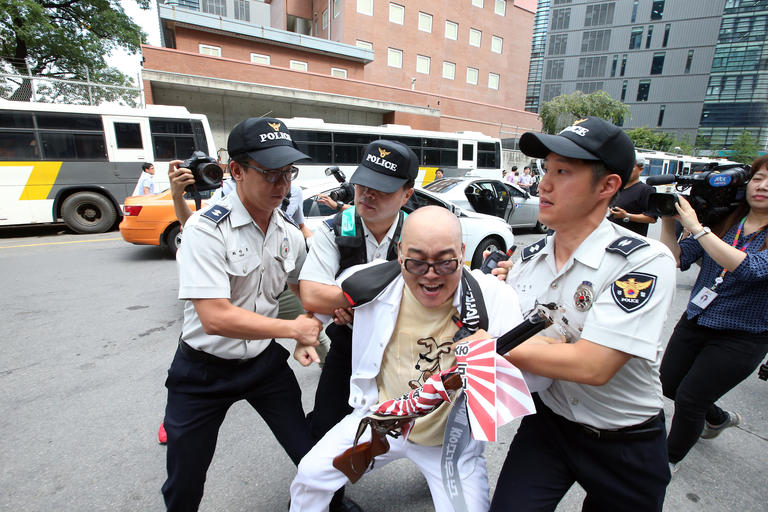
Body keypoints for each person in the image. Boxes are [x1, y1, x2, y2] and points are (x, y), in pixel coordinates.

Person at [492, 117, 677, 511]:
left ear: (608, 186)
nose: (543, 183)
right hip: (551, 423)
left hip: (625, 439)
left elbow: (594, 365)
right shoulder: (526, 261)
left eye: (563, 172)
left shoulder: (642, 262)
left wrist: (489, 346)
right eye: (545, 170)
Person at [290, 206, 527, 512]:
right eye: (416, 262)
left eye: (444, 262)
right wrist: (303, 339)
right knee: (311, 474)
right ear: (399, 252)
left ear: (462, 252)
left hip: (449, 442)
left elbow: (531, 379)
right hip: (381, 420)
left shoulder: (492, 297)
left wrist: (490, 355)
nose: (430, 276)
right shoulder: (368, 282)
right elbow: (316, 311)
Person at [160, 117, 324, 511]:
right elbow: (215, 317)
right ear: (235, 171)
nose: (282, 186)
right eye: (270, 174)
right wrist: (292, 329)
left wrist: (319, 324)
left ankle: (330, 502)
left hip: (264, 365)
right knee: (186, 475)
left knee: (309, 453)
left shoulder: (286, 232)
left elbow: (302, 290)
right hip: (204, 370)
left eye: (288, 173)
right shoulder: (206, 229)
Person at [296, 139, 417, 509]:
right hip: (348, 347)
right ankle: (332, 499)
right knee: (327, 425)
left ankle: (439, 476)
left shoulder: (419, 231)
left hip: (407, 349)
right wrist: (352, 300)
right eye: (363, 183)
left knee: (423, 425)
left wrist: (356, 300)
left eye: (381, 189)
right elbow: (312, 295)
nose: (367, 195)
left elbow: (442, 287)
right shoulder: (338, 227)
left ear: (406, 193)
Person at [659, 155, 768, 472]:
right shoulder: (725, 222)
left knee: (691, 399)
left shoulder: (711, 228)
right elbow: (675, 258)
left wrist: (696, 227)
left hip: (743, 335)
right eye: (759, 178)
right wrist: (669, 220)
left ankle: (669, 459)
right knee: (668, 384)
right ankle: (718, 418)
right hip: (697, 319)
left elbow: (750, 269)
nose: (763, 186)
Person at [608, 156, 658, 236]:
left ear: (641, 169)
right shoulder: (615, 187)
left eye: (630, 167)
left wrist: (627, 216)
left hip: (629, 241)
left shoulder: (646, 190)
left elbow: (652, 218)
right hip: (608, 236)